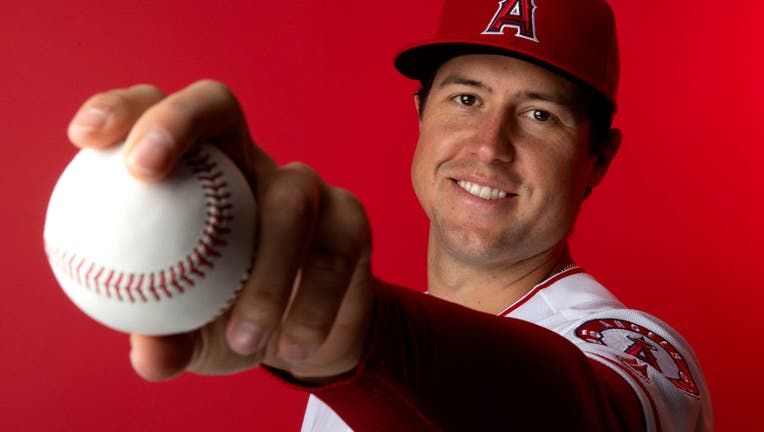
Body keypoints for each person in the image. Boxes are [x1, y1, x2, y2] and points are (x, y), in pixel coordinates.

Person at [65, 0, 713, 430]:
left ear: (599, 159)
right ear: (420, 118)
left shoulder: (638, 353)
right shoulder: (334, 383)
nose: (489, 145)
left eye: (539, 115)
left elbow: (591, 415)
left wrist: (371, 342)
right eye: (466, 97)